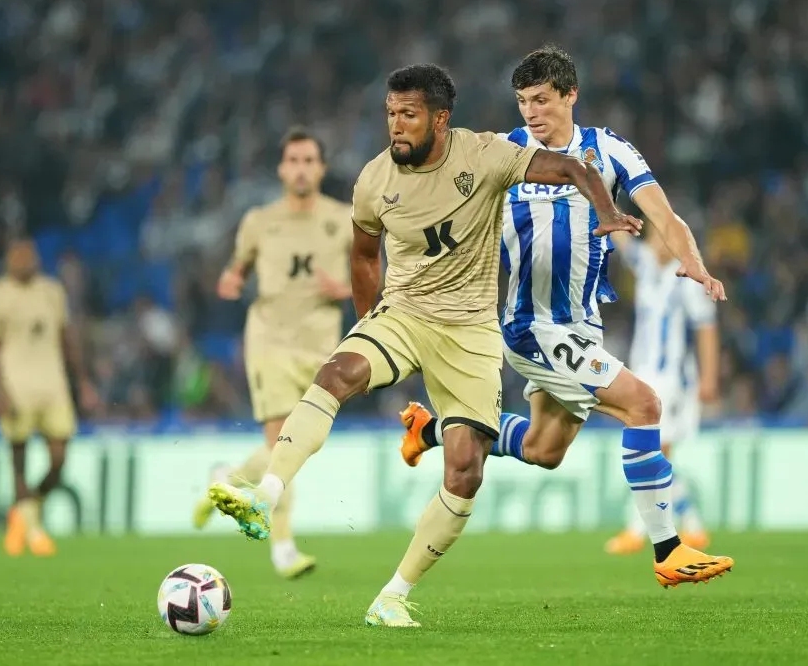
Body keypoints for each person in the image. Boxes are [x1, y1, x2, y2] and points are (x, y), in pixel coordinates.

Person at [207, 63, 641, 627]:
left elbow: (567, 167)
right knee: (338, 373)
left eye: (408, 115)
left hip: (469, 333)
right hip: (405, 314)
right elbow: (364, 255)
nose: (396, 127)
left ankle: (393, 594)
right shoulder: (374, 179)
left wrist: (607, 213)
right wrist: (370, 327)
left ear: (440, 118)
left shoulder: (483, 156)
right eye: (390, 114)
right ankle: (265, 493)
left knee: (465, 469)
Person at [397, 45, 734, 587]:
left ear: (570, 95)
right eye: (523, 102)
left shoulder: (610, 151)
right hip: (531, 326)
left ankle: (429, 428)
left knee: (542, 449)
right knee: (645, 405)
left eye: (542, 100)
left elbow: (663, 214)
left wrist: (694, 264)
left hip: (580, 326)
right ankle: (669, 549)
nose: (531, 112)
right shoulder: (504, 152)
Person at [191, 127, 352, 579]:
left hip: (322, 348)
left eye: (308, 161)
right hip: (271, 342)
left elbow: (367, 278)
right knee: (282, 442)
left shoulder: (344, 219)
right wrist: (231, 280)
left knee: (301, 446)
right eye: (293, 161)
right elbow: (236, 269)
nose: (300, 169)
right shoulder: (259, 221)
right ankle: (283, 549)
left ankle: (225, 479)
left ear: (321, 168)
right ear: (282, 169)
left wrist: (339, 289)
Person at [0, 238, 97, 556]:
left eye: (30, 256)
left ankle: (25, 515)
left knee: (59, 459)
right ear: (8, 260)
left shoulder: (52, 291)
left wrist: (82, 381)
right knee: (19, 461)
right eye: (19, 256)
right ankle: (34, 531)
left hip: (53, 385)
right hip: (16, 387)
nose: (25, 261)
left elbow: (67, 338)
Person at [603, 225, 719, 554]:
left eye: (661, 236)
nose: (655, 242)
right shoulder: (646, 265)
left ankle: (636, 530)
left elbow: (706, 328)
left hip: (672, 378)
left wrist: (709, 379)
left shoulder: (688, 278)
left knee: (652, 452)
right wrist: (593, 183)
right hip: (643, 375)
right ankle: (693, 525)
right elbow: (620, 238)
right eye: (653, 236)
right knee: (653, 454)